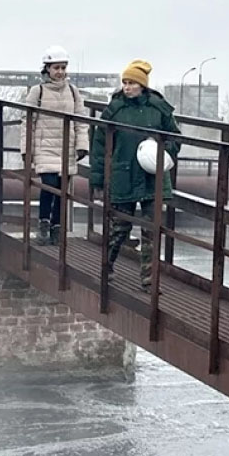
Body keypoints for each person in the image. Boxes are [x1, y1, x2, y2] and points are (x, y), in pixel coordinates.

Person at [88, 59, 181, 292]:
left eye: (131, 83)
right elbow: (99, 146)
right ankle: (106, 267)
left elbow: (175, 137)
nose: (127, 87)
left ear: (142, 85)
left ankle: (150, 279)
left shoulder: (159, 108)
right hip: (122, 175)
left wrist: (163, 151)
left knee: (151, 230)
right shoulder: (115, 110)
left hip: (152, 176)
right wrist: (98, 178)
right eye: (125, 82)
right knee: (119, 228)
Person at [21, 45, 89, 245]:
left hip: (66, 148)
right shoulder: (38, 91)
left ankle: (57, 228)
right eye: (56, 68)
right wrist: (27, 149)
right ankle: (43, 224)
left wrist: (82, 145)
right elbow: (27, 120)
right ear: (47, 69)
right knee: (49, 186)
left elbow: (80, 120)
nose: (60, 72)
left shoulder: (73, 92)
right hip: (45, 147)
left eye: (63, 68)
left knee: (62, 189)